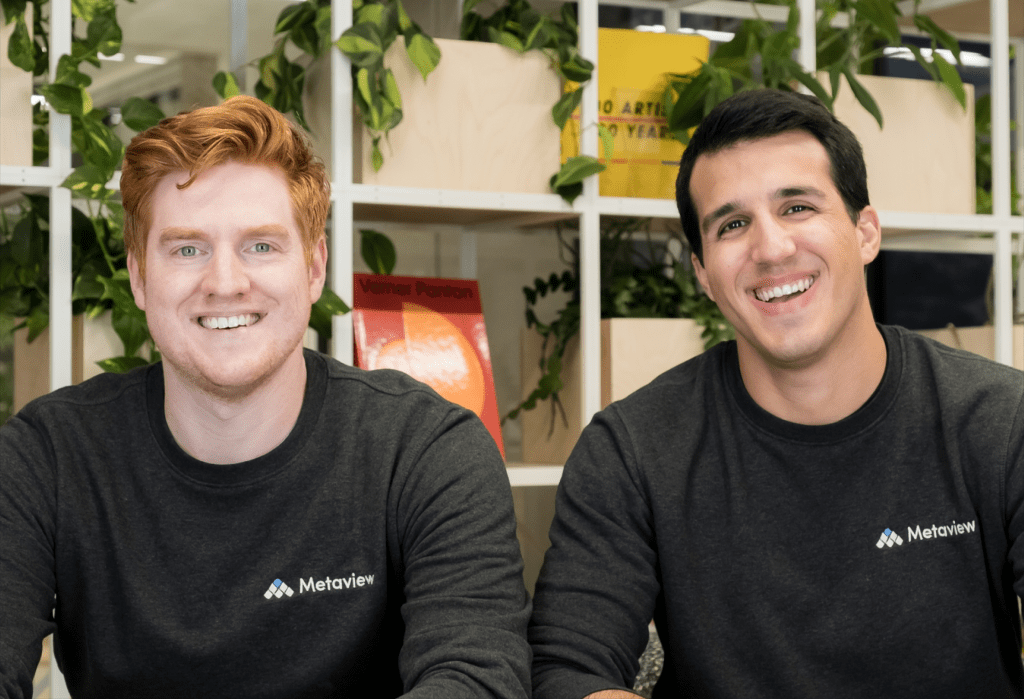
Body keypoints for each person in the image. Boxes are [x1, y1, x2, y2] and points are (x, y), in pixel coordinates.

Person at [0, 95, 531, 699]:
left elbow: (476, 676)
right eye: (187, 248)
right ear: (140, 277)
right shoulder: (47, 457)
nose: (225, 283)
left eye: (261, 246)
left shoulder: (424, 451)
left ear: (314, 268)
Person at [528, 88, 1024, 698]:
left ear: (865, 233)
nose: (771, 249)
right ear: (704, 274)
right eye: (732, 225)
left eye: (797, 207)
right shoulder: (634, 450)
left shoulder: (1001, 422)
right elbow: (568, 670)